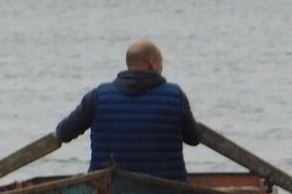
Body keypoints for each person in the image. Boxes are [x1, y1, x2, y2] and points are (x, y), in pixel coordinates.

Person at [55, 40, 201, 181]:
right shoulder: (174, 95)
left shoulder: (98, 96)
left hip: (105, 185)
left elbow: (63, 133)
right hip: (169, 188)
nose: (162, 67)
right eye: (161, 63)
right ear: (153, 62)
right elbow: (194, 139)